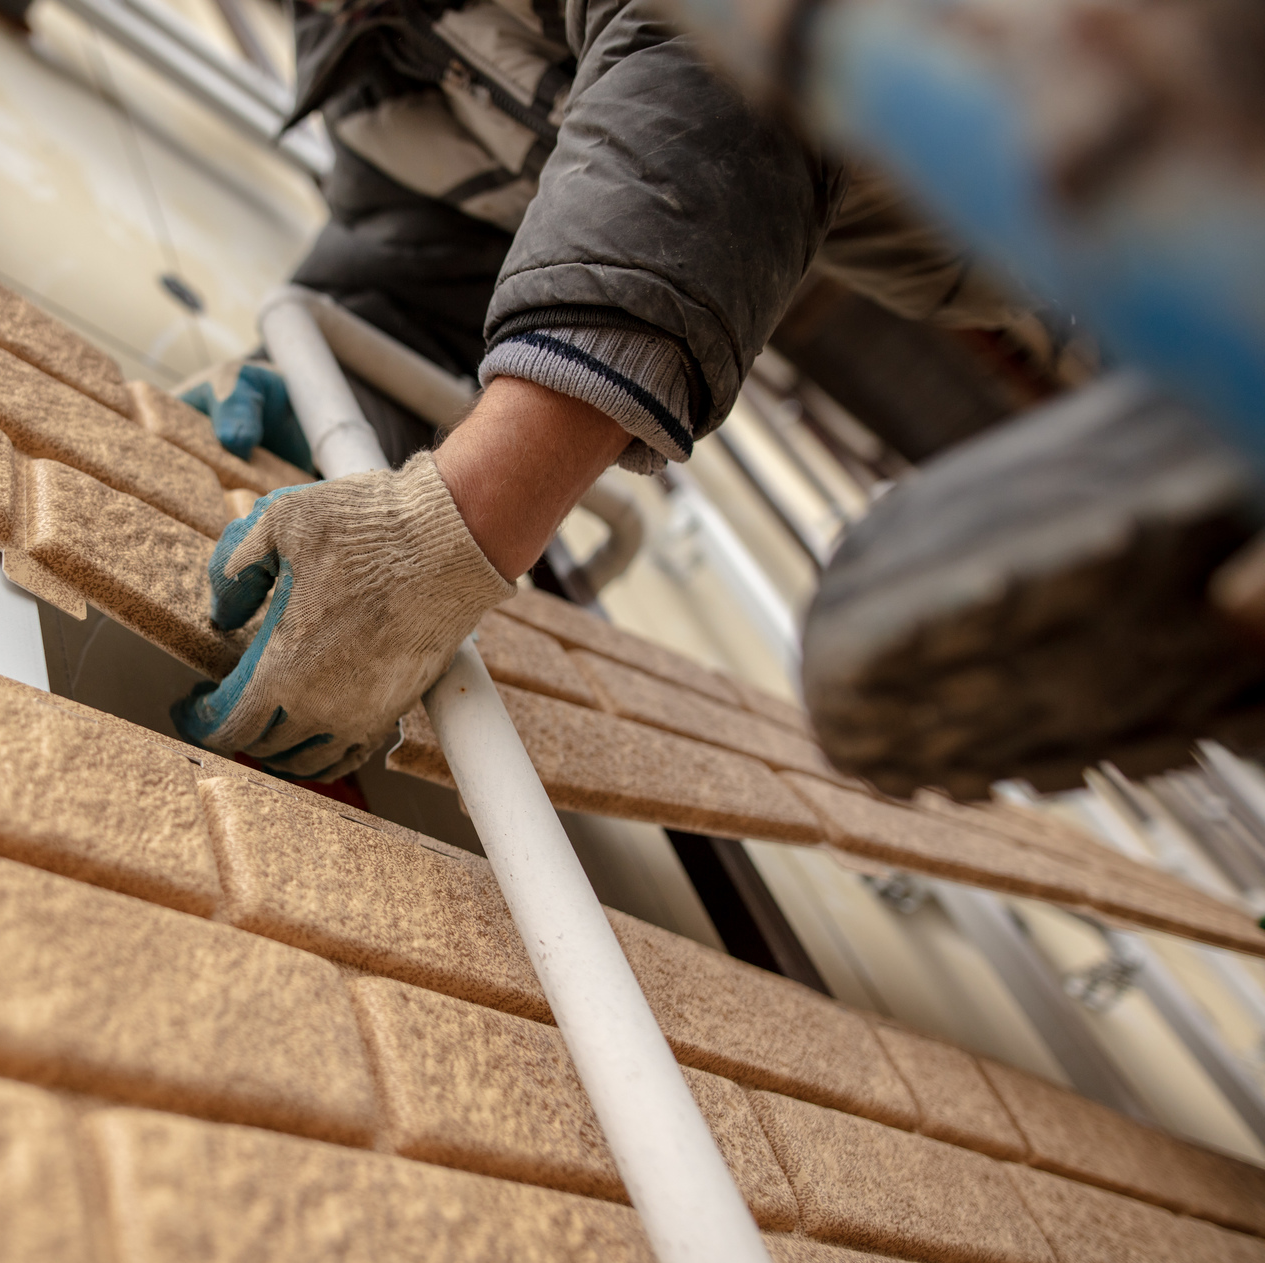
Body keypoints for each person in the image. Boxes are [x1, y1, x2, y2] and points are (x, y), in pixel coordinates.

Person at [168, 0, 1034, 783]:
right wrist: (346, 394)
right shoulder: (363, 34)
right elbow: (431, 271)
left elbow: (730, 39)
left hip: (1090, 164)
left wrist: (452, 524)